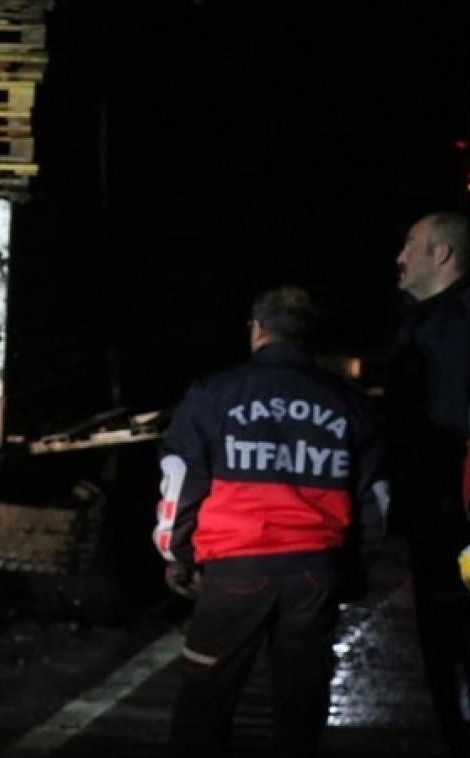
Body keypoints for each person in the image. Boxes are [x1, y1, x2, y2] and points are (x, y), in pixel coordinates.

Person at [151, 285, 389, 757]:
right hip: (313, 573)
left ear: (257, 330)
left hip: (234, 572)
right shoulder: (350, 402)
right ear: (308, 337)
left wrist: (176, 555)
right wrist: (353, 571)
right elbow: (375, 500)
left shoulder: (213, 393)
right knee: (299, 711)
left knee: (204, 706)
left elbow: (179, 481)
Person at [387, 211, 470, 758]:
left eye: (410, 244)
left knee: (455, 645)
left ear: (442, 255)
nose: (400, 257)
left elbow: (445, 426)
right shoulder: (427, 322)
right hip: (441, 516)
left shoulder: (453, 325)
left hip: (455, 521)